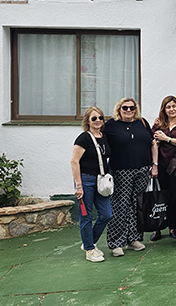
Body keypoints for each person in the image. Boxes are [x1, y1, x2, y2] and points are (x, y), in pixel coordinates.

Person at [103, 98, 158, 257]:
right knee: (120, 206)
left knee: (137, 205)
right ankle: (116, 242)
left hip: (143, 169)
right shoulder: (111, 125)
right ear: (119, 109)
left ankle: (133, 239)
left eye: (132, 108)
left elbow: (153, 143)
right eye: (125, 108)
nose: (129, 110)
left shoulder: (142, 122)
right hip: (121, 171)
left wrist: (154, 164)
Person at [70, 107, 113, 263]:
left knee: (106, 214)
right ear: (87, 121)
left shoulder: (104, 136)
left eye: (100, 117)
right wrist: (78, 185)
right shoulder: (83, 138)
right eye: (94, 118)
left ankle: (89, 242)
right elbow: (74, 162)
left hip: (101, 181)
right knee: (86, 216)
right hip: (86, 180)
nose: (98, 121)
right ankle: (89, 249)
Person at [150, 95, 176, 241]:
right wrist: (154, 164)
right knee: (160, 196)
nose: (171, 109)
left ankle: (173, 227)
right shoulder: (159, 124)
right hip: (161, 165)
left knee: (174, 196)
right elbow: (152, 143)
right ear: (164, 109)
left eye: (174, 106)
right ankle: (158, 227)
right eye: (168, 107)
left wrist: (167, 139)